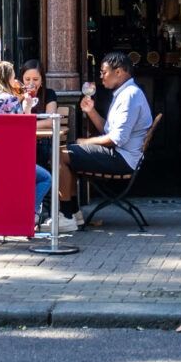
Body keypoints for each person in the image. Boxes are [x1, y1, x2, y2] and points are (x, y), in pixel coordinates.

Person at [53, 50, 152, 233]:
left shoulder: (129, 96)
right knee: (66, 153)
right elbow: (109, 131)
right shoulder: (125, 93)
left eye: (104, 72)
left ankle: (67, 216)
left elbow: (115, 139)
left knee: (61, 154)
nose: (101, 77)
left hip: (122, 159)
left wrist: (85, 142)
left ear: (119, 72)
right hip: (121, 155)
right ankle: (73, 213)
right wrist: (91, 111)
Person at [0, 60, 51, 226]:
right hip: (5, 161)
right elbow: (23, 135)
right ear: (6, 79)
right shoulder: (9, 100)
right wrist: (27, 108)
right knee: (45, 178)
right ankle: (27, 217)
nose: (15, 82)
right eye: (13, 78)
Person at [20, 59, 59, 169]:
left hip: (41, 141)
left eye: (35, 79)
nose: (31, 83)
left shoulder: (49, 94)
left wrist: (27, 125)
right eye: (27, 79)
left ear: (42, 80)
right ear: (22, 80)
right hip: (21, 140)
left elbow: (50, 121)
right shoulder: (17, 96)